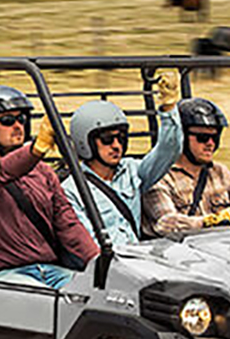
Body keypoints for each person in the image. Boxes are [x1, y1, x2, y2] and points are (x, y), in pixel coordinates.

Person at [0, 85, 99, 286]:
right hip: (1, 275)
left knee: (93, 292)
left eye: (22, 119)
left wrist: (100, 263)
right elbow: (2, 171)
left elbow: (69, 225)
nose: (17, 126)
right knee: (44, 299)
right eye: (7, 120)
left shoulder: (43, 172)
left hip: (49, 270)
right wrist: (35, 151)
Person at [61, 69, 183, 247]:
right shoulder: (72, 191)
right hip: (108, 261)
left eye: (121, 138)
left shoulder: (132, 171)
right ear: (86, 142)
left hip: (138, 257)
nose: (116, 145)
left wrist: (169, 107)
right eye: (107, 139)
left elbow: (168, 151)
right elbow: (88, 246)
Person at [144, 97, 230, 233]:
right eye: (203, 138)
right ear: (181, 137)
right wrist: (207, 222)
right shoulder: (158, 177)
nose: (210, 144)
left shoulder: (221, 173)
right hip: (181, 246)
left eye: (215, 138)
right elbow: (167, 223)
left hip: (222, 243)